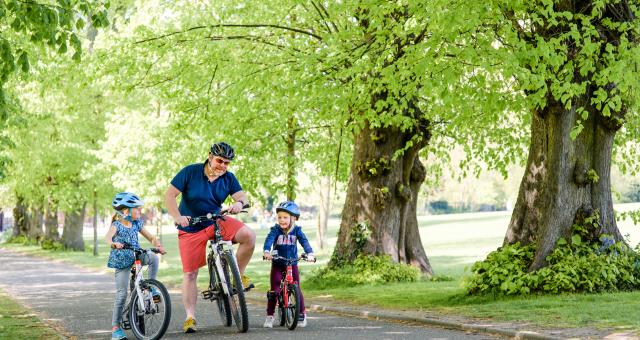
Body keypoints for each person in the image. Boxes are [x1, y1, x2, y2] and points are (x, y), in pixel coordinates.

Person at [164, 141, 256, 333]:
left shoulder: (228, 178)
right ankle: (190, 317)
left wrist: (239, 204)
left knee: (248, 235)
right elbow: (169, 195)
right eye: (220, 160)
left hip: (216, 220)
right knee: (190, 274)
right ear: (210, 156)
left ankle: (236, 277)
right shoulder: (190, 172)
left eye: (227, 163)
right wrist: (178, 217)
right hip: (191, 226)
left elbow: (242, 197)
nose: (223, 165)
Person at [105, 192, 165, 340]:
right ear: (126, 211)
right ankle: (116, 329)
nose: (140, 211)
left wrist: (157, 244)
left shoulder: (137, 223)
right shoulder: (116, 225)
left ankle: (150, 288)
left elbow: (150, 237)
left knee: (153, 257)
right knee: (122, 294)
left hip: (136, 255)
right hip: (122, 261)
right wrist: (114, 243)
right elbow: (107, 237)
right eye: (137, 209)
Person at [262, 200, 315, 328]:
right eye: (279, 217)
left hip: (292, 263)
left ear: (294, 218)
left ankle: (301, 314)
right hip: (278, 263)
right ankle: (270, 316)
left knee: (297, 287)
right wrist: (266, 251)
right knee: (274, 290)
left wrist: (310, 253)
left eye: (285, 217)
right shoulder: (275, 230)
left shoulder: (297, 231)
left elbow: (304, 241)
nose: (282, 220)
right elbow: (269, 240)